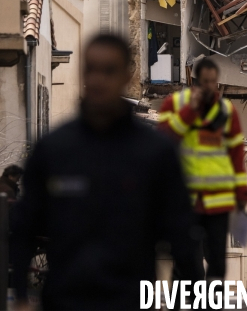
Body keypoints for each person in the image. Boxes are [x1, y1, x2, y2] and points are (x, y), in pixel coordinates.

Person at [11, 34, 200, 311]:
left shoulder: (155, 153)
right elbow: (24, 228)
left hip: (128, 301)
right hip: (65, 300)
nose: (99, 80)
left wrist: (192, 300)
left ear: (126, 75)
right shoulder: (54, 150)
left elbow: (182, 236)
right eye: (91, 69)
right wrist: (20, 295)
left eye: (109, 70)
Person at [158, 56, 247, 289]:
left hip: (218, 201)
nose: (210, 87)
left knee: (217, 263)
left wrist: (241, 193)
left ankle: (210, 303)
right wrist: (191, 112)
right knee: (188, 263)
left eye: (214, 82)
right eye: (205, 82)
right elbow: (164, 140)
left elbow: (237, 154)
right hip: (186, 200)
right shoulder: (176, 104)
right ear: (195, 81)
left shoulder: (226, 111)